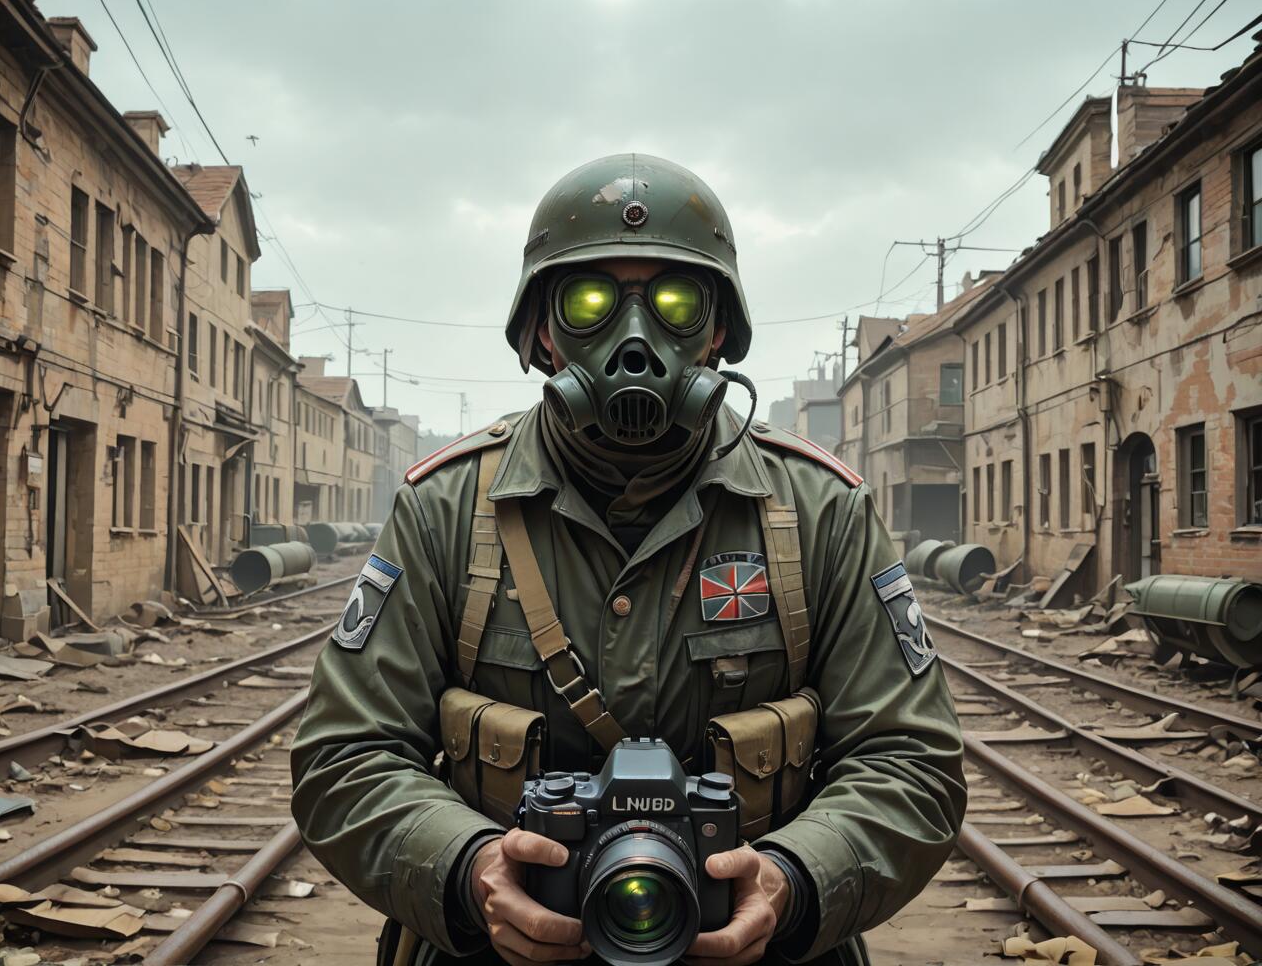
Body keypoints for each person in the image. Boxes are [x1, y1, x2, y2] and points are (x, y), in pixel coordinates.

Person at [291, 154, 965, 965]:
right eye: (590, 302)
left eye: (676, 303)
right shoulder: (448, 508)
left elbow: (912, 761)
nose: (636, 342)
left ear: (718, 331)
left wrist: (792, 881)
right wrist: (469, 870)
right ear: (542, 331)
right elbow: (344, 755)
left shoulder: (820, 511)